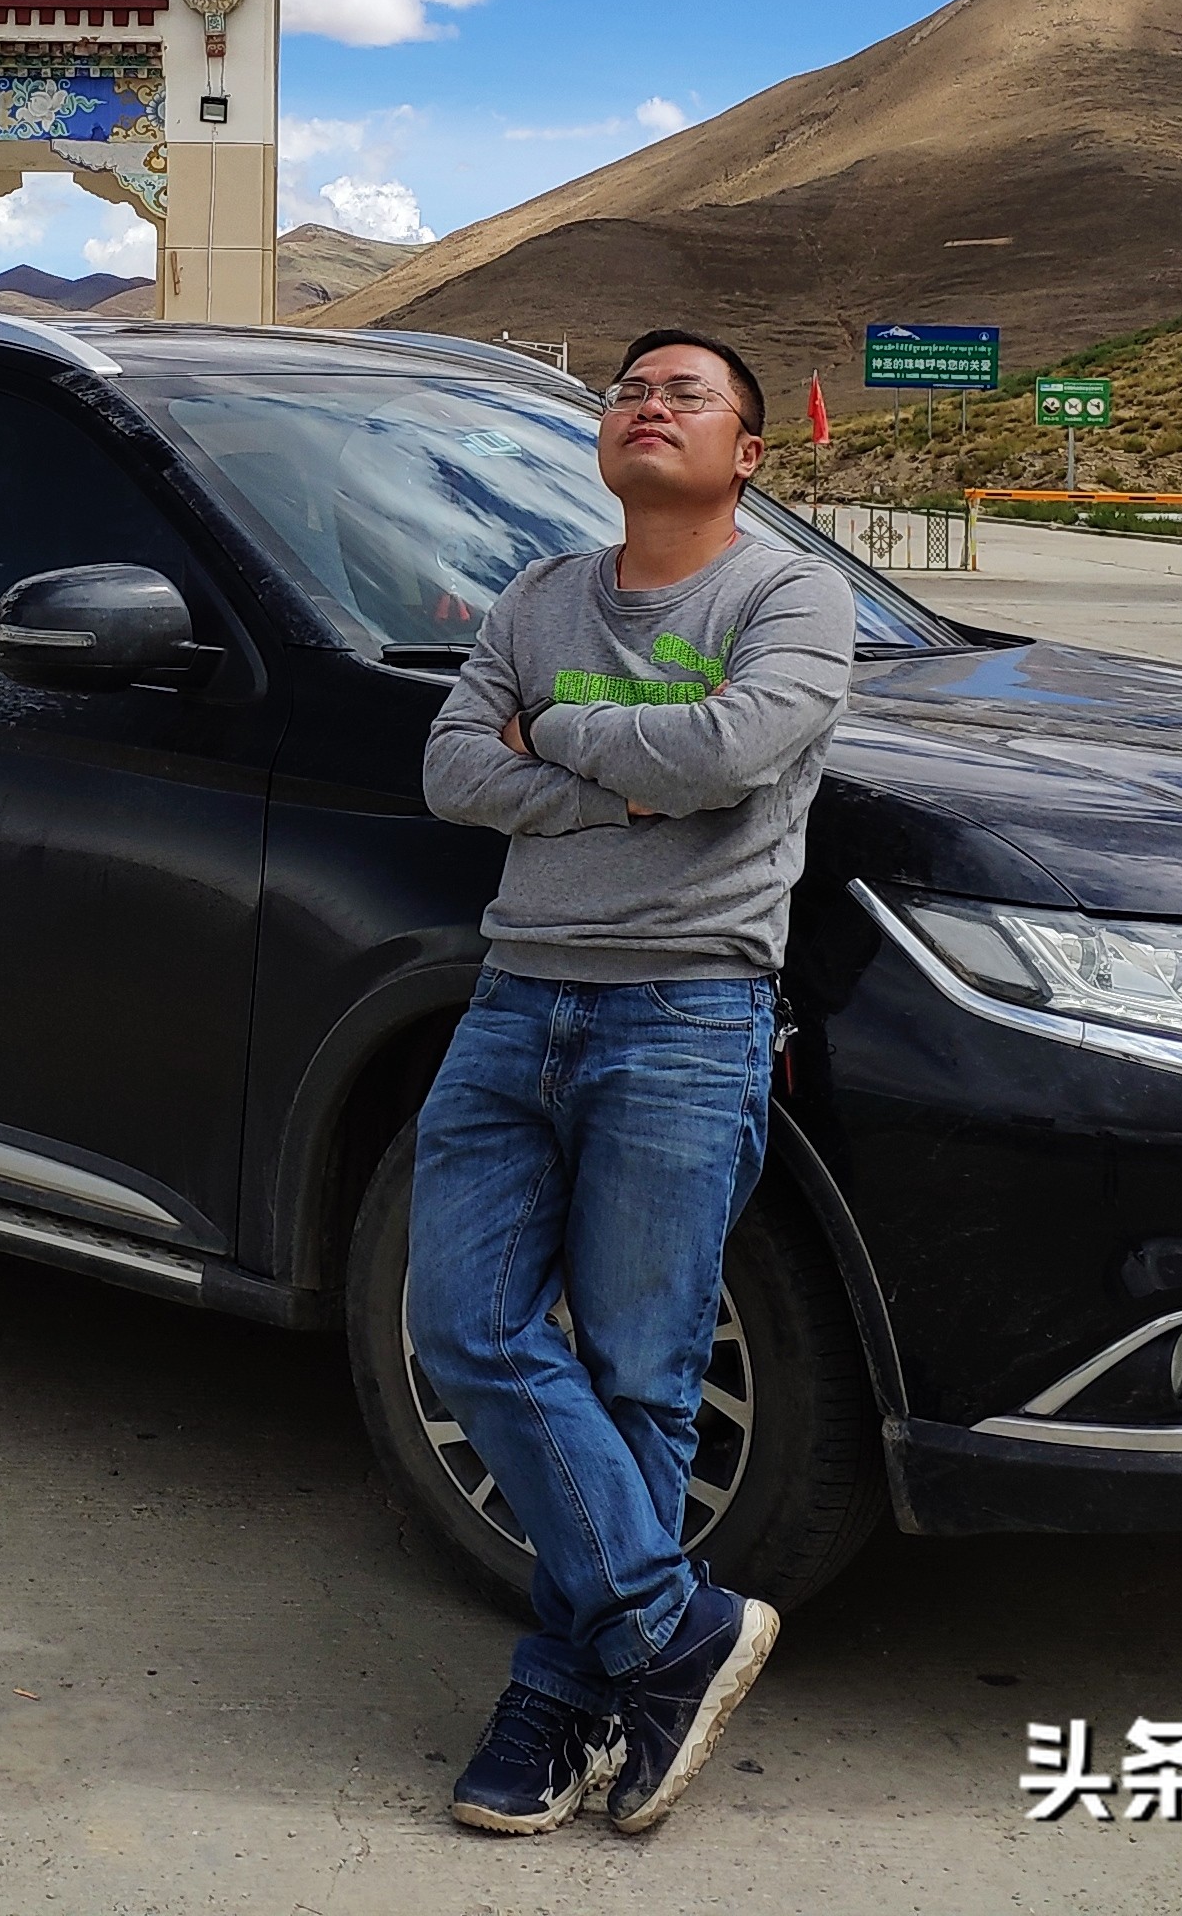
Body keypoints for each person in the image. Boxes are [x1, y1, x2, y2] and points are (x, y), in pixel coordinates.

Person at [412, 326, 858, 1837]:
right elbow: (452, 773)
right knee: (463, 1328)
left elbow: (740, 746)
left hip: (685, 1012)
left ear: (746, 451)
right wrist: (637, 767)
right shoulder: (542, 595)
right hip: (515, 991)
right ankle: (677, 1627)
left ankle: (563, 1695)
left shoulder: (790, 591)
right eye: (627, 391)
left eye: (683, 394)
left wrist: (567, 735)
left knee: (639, 1374)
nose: (644, 407)